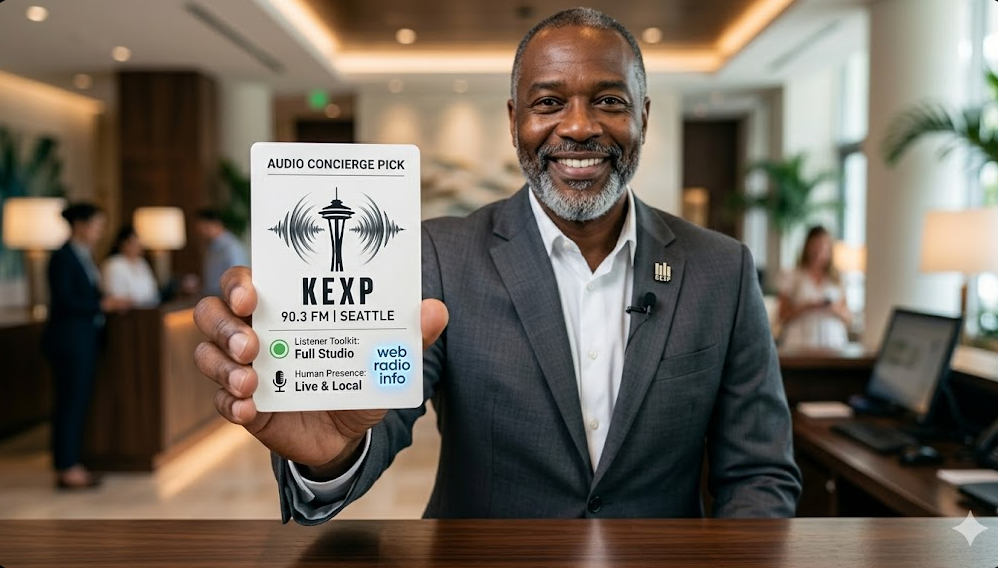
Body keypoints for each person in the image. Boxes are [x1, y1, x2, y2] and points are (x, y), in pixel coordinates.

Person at [194, 8, 801, 522]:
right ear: (515, 122)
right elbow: (380, 411)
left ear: (645, 116)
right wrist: (326, 455)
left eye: (610, 101)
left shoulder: (722, 269)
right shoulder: (440, 255)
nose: (580, 126)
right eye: (549, 102)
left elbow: (759, 475)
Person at [43, 202, 130, 489]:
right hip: (69, 342)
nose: (100, 231)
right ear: (79, 225)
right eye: (96, 225)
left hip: (84, 340)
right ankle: (67, 467)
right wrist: (102, 303)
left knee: (78, 402)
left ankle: (73, 462)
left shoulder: (84, 256)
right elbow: (65, 301)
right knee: (70, 403)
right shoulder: (62, 257)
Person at [777, 225, 851, 350]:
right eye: (815, 245)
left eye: (823, 246)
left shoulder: (837, 279)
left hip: (833, 344)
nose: (818, 251)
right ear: (807, 247)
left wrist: (833, 308)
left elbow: (848, 318)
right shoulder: (793, 275)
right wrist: (807, 307)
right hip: (800, 343)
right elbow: (782, 315)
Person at [192, 208, 248, 297]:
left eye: (201, 228)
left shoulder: (232, 248)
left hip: (226, 301)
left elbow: (237, 281)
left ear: (215, 224)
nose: (199, 233)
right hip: (211, 298)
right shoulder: (210, 247)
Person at [101, 224, 159, 307]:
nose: (137, 246)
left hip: (148, 309)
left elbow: (153, 291)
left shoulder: (142, 263)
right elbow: (115, 297)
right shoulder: (114, 265)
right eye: (132, 243)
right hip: (127, 313)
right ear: (122, 244)